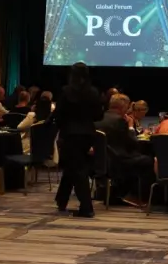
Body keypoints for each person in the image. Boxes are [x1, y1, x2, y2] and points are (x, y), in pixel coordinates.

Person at [52, 63, 103, 218]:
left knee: (77, 169)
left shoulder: (66, 91)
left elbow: (59, 114)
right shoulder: (93, 92)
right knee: (73, 167)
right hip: (88, 134)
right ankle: (61, 200)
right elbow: (99, 116)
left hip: (70, 134)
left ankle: (87, 207)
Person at [96, 93, 154, 205]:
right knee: (149, 161)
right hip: (118, 160)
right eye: (127, 107)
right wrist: (131, 126)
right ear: (122, 107)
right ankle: (133, 195)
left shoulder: (99, 118)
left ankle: (116, 193)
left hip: (100, 161)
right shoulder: (120, 121)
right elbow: (133, 143)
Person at [17, 97, 59, 164]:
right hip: (49, 151)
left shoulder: (32, 116)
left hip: (30, 149)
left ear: (37, 106)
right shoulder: (52, 120)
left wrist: (31, 111)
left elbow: (19, 127)